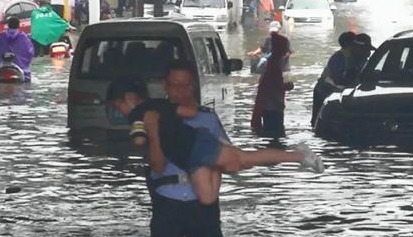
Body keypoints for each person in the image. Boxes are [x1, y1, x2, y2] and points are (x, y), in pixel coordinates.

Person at [109, 67, 322, 206]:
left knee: (244, 159)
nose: (119, 111)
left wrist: (151, 129)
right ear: (165, 86)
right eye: (175, 86)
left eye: (118, 106)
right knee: (209, 196)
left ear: (126, 99)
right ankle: (228, 159)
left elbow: (138, 140)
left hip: (197, 148)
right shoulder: (162, 105)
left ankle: (299, 155)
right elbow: (190, 113)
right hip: (191, 156)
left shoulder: (138, 116)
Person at [129, 61, 230, 237]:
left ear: (193, 85)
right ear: (164, 86)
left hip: (202, 204)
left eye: (186, 85)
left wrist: (211, 188)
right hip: (167, 202)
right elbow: (157, 166)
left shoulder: (207, 118)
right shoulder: (152, 118)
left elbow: (227, 159)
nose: (181, 91)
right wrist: (154, 132)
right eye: (175, 85)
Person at [251, 32, 294, 137]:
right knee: (275, 136)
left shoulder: (273, 62)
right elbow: (274, 86)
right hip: (272, 107)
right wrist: (288, 86)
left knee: (270, 135)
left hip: (270, 105)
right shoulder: (274, 64)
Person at [311, 31, 355, 126]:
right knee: (318, 122)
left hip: (327, 91)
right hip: (323, 92)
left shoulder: (348, 56)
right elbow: (337, 79)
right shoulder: (339, 57)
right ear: (349, 44)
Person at [0, 16, 34, 82]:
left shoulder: (0, 36)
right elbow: (30, 53)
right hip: (21, 69)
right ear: (18, 25)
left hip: (0, 69)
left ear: (8, 25)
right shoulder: (24, 37)